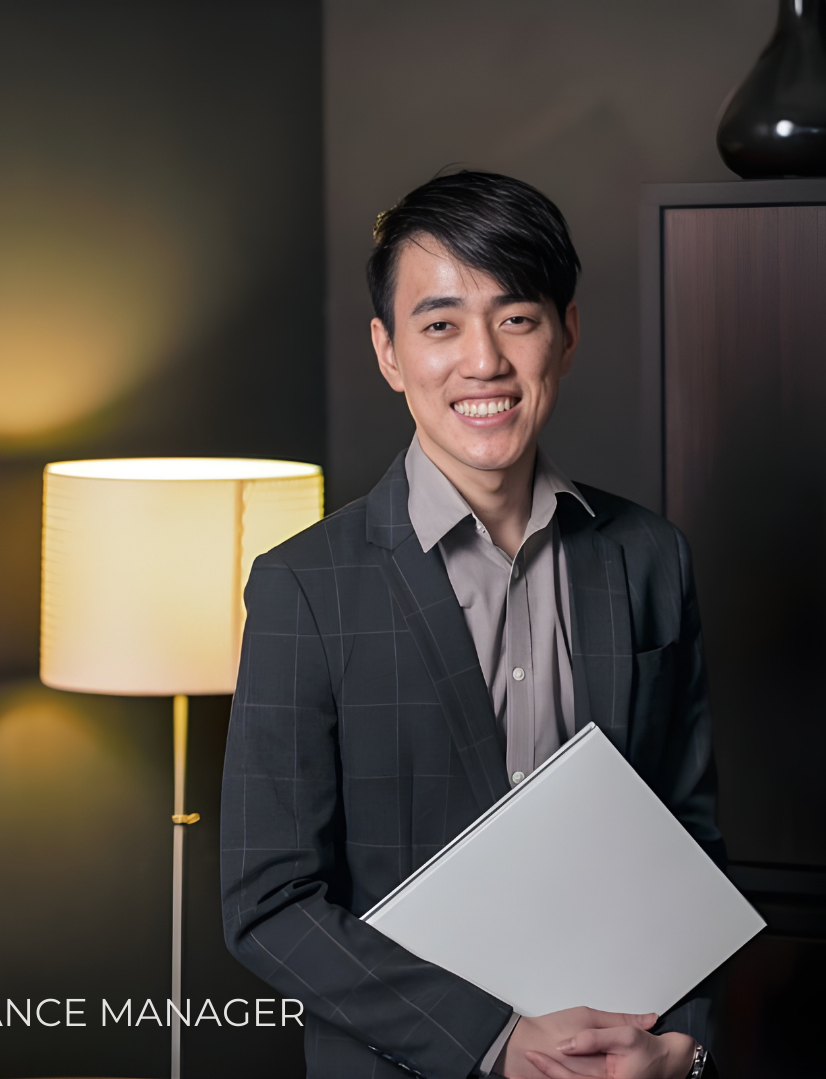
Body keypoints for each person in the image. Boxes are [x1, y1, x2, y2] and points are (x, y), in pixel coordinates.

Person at [221, 170, 722, 1079]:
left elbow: (684, 837)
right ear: (388, 352)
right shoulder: (305, 586)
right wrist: (494, 1037)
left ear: (566, 334)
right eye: (440, 324)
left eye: (516, 317)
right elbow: (269, 903)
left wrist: (681, 1042)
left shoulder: (649, 556)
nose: (483, 360)